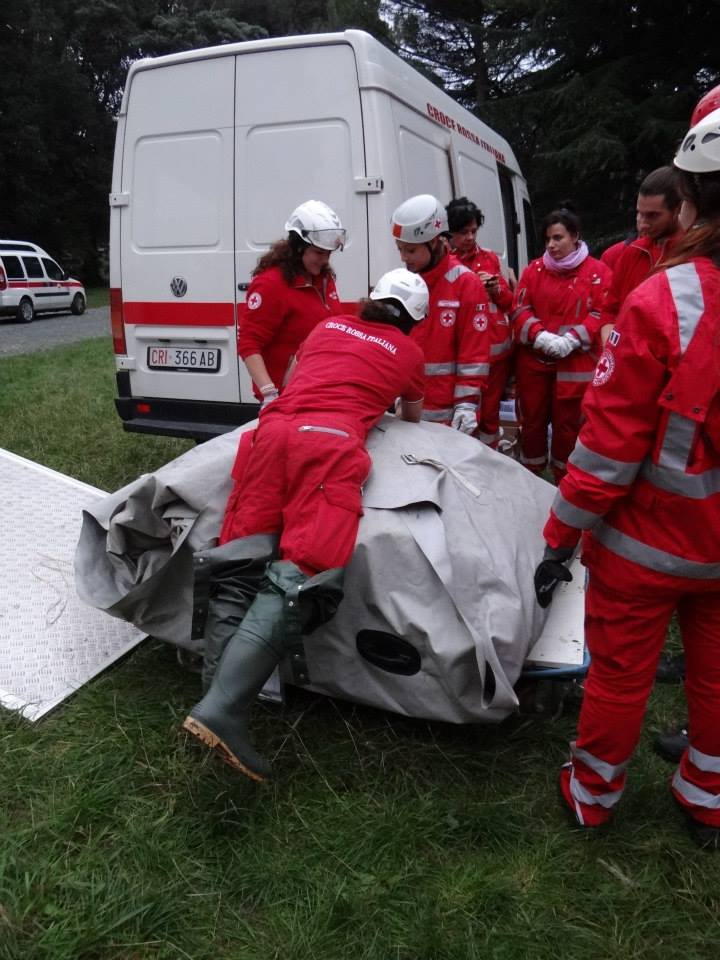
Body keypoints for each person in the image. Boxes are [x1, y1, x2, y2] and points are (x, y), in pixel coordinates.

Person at [535, 107, 720, 847]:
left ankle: (592, 794)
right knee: (713, 678)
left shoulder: (666, 300)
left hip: (648, 542)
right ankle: (708, 797)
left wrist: (559, 536)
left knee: (618, 676)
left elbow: (607, 453)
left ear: (687, 199)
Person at [183, 268, 429, 781]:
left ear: (373, 301)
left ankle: (210, 702)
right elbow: (411, 420)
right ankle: (223, 712)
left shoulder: (329, 326)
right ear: (412, 321)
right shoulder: (408, 353)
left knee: (238, 565)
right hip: (329, 447)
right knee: (301, 575)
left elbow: (296, 378)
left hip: (270, 436)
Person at [510, 204, 611, 482]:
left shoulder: (598, 272)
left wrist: (572, 340)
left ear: (575, 236)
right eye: (547, 239)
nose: (551, 245)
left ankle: (564, 481)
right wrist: (539, 335)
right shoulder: (534, 270)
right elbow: (519, 308)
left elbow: (603, 312)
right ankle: (529, 475)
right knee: (532, 423)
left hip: (574, 366)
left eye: (558, 238)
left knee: (569, 427)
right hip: (535, 365)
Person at [391, 194, 491, 434]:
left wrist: (466, 405)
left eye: (411, 250)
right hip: (406, 405)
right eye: (400, 249)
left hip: (448, 413)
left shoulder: (465, 283)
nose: (404, 258)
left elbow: (474, 355)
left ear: (435, 241)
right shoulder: (404, 282)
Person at [238, 199, 345, 407]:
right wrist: (269, 394)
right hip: (286, 398)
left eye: (329, 253)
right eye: (319, 253)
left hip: (319, 390)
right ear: (298, 247)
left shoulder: (323, 279)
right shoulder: (271, 284)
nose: (325, 260)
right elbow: (249, 343)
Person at [446, 196, 515, 447]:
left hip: (495, 354)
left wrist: (496, 287)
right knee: (466, 414)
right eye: (464, 232)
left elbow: (510, 302)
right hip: (464, 352)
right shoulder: (445, 263)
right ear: (450, 234)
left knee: (490, 417)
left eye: (474, 231)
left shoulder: (489, 258)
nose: (470, 237)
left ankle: (491, 460)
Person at [598, 167, 683, 344]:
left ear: (677, 210)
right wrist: (610, 343)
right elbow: (610, 310)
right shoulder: (633, 252)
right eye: (639, 213)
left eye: (652, 216)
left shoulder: (692, 256)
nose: (643, 224)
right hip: (627, 364)